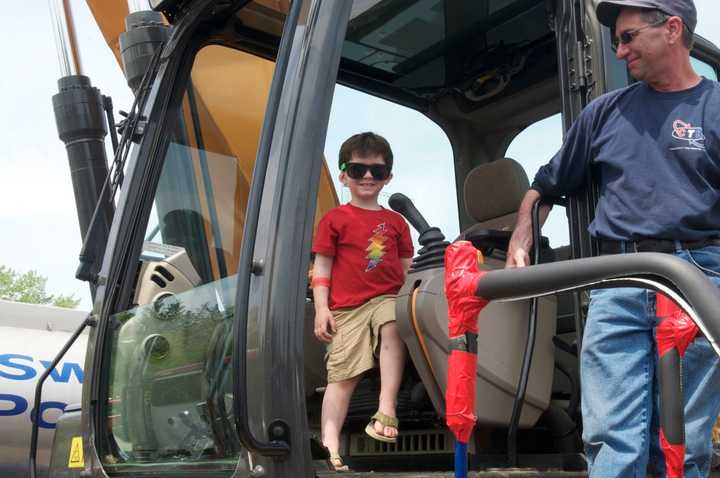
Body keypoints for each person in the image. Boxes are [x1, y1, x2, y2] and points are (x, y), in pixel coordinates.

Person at [506, 1, 720, 476]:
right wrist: (523, 234)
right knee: (610, 439)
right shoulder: (605, 112)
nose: (620, 51)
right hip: (617, 281)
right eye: (615, 42)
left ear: (672, 29)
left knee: (683, 444)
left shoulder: (715, 106)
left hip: (698, 279)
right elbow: (546, 183)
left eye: (627, 38)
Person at [311, 132, 413, 471]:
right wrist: (322, 308)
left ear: (388, 178)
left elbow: (406, 268)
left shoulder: (397, 223)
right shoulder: (334, 220)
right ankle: (330, 445)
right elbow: (322, 267)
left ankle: (387, 407)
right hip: (346, 309)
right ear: (343, 175)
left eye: (377, 171)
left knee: (393, 321)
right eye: (357, 170)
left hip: (386, 297)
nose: (367, 177)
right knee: (341, 378)